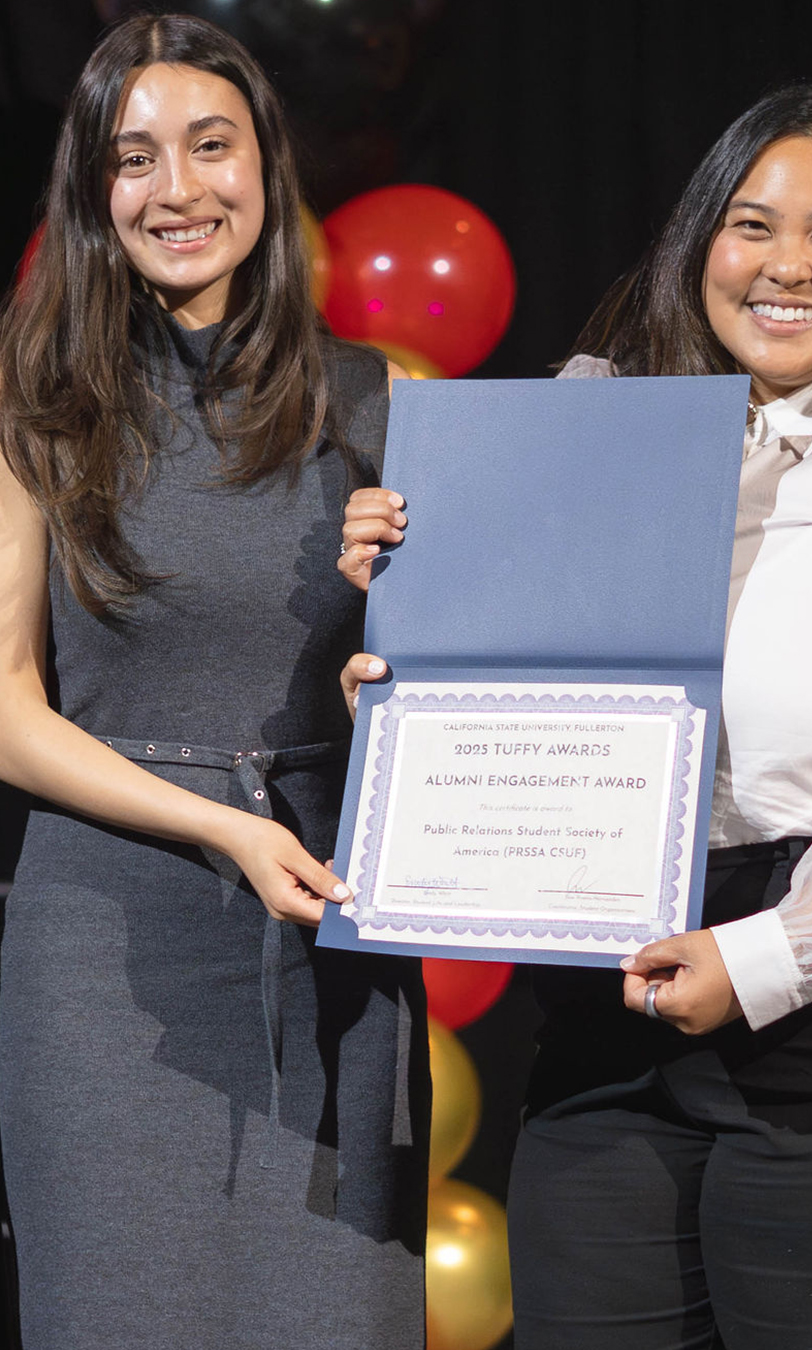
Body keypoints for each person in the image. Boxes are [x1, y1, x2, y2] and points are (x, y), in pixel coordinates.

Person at [341, 84, 812, 1349]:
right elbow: (512, 685)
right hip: (618, 998)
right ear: (700, 245)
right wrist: (409, 649)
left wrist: (774, 955)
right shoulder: (598, 428)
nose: (788, 264)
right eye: (753, 224)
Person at [0, 14, 426, 1349]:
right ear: (94, 193)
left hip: (329, 935)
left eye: (209, 146)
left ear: (266, 167)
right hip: (105, 953)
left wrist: (386, 677)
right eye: (135, 159)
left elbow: (426, 691)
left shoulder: (374, 402)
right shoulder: (35, 406)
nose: (177, 189)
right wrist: (223, 826)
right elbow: (6, 711)